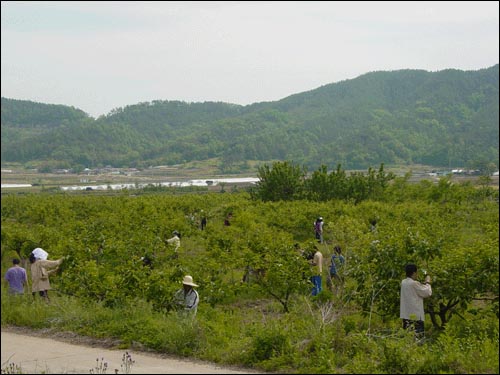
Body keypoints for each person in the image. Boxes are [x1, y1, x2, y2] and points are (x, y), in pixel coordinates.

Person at [400, 263, 432, 339]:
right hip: (416, 317)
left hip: (406, 315)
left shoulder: (403, 282)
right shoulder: (414, 283)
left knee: (408, 338)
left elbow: (415, 290)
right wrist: (427, 282)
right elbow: (427, 293)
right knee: (418, 339)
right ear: (414, 273)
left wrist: (421, 285)